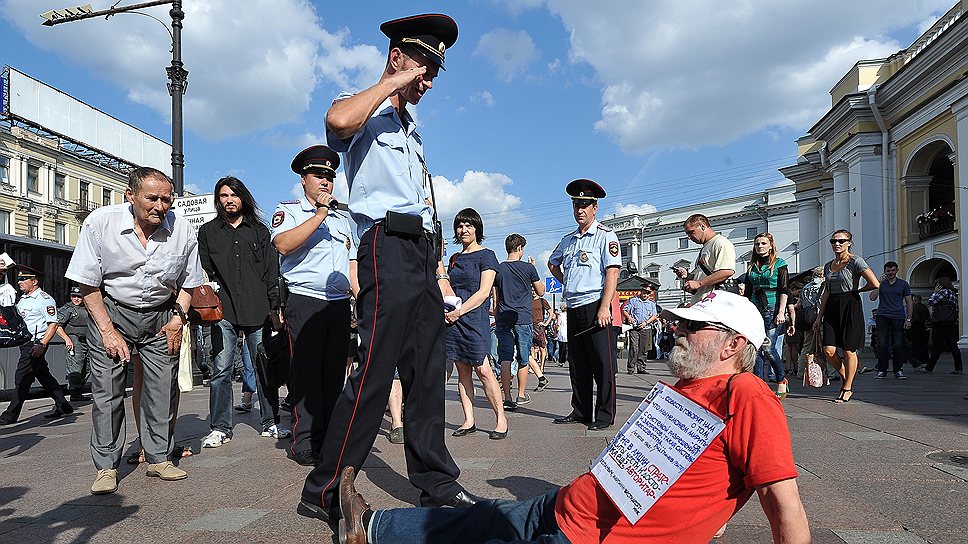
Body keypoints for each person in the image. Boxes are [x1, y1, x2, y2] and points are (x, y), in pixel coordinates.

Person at [336, 291, 811, 544]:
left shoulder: (745, 393)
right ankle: (372, 527)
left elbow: (781, 499)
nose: (678, 330)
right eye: (680, 322)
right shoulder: (681, 389)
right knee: (476, 518)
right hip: (570, 504)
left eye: (693, 326)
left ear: (734, 345)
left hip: (593, 538)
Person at [301, 14, 479, 523]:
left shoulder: (410, 128)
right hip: (385, 245)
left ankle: (437, 482)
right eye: (424, 66)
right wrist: (394, 81)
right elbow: (336, 121)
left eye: (434, 73)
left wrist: (438, 268)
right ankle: (325, 488)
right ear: (398, 57)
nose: (429, 81)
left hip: (420, 255)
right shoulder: (368, 114)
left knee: (426, 372)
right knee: (376, 370)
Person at [65, 166, 203, 494]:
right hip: (110, 311)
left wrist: (177, 319)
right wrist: (108, 331)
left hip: (160, 316)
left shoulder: (182, 230)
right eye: (152, 198)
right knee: (108, 392)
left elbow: (190, 281)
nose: (160, 206)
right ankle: (106, 467)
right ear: (131, 196)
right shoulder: (101, 223)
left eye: (166, 199)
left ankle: (158, 459)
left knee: (162, 389)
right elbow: (87, 283)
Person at [272, 146, 355, 466]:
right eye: (319, 175)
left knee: (333, 374)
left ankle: (329, 438)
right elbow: (283, 244)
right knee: (306, 374)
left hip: (336, 304)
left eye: (330, 177)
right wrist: (319, 213)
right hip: (305, 300)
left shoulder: (341, 219)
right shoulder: (289, 210)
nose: (325, 182)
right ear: (303, 179)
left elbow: (351, 265)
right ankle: (304, 440)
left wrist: (361, 298)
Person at [198, 175, 286, 449]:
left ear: (242, 198)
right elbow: (204, 270)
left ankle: (271, 421)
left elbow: (271, 272)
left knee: (263, 367)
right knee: (221, 369)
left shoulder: (260, 231)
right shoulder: (208, 232)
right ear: (218, 200)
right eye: (223, 196)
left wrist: (275, 307)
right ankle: (220, 427)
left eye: (233, 195)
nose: (228, 200)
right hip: (222, 309)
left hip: (257, 307)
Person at [548, 179, 621, 431]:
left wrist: (604, 307)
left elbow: (612, 273)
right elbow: (552, 263)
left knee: (602, 363)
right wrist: (566, 280)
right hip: (574, 306)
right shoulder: (568, 240)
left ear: (595, 208)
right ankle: (580, 410)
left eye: (585, 205)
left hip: (595, 305)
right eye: (576, 204)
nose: (580, 209)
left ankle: (604, 414)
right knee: (578, 364)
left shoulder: (605, 236)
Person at [444, 208, 507, 440]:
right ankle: (468, 419)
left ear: (477, 228)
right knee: (462, 371)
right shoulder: (455, 259)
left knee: (483, 370)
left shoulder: (487, 255)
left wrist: (459, 312)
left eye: (468, 225)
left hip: (474, 319)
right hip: (453, 320)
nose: (463, 230)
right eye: (460, 226)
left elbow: (483, 293)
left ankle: (501, 419)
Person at [0, 265, 74, 425]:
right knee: (43, 374)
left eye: (23, 279)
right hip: (25, 341)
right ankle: (63, 404)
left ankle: (10, 415)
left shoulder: (45, 299)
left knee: (23, 376)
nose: (19, 282)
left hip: (36, 343)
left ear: (34, 281)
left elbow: (53, 324)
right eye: (19, 278)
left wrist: (42, 344)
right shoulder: (24, 298)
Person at [813, 229, 879, 403]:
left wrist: (857, 290)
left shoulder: (856, 261)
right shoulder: (828, 265)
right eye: (834, 241)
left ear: (849, 242)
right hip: (832, 306)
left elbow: (874, 283)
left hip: (850, 304)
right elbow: (827, 290)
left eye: (841, 241)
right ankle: (846, 375)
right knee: (829, 350)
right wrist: (819, 316)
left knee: (849, 350)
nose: (837, 244)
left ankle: (847, 387)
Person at [494, 235, 545, 411]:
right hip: (523, 318)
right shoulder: (528, 268)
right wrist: (533, 269)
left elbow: (495, 296)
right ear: (520, 248)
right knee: (523, 358)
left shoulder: (498, 269)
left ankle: (507, 398)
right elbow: (541, 291)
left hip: (503, 317)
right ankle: (521, 395)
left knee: (505, 358)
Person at [742, 232, 790, 398]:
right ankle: (758, 384)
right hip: (755, 308)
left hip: (772, 307)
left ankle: (781, 379)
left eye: (763, 243)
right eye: (757, 244)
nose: (760, 247)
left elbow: (785, 289)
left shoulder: (779, 264)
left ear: (771, 246)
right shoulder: (751, 267)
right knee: (754, 348)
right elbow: (747, 293)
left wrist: (781, 312)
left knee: (768, 348)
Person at [674, 214, 736, 304]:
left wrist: (699, 283)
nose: (689, 237)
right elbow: (702, 275)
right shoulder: (705, 247)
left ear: (703, 226)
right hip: (702, 301)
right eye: (687, 234)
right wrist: (688, 276)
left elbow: (727, 271)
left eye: (691, 232)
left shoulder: (720, 243)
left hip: (714, 301)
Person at [868, 261, 913, 379]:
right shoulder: (881, 283)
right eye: (888, 271)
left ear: (897, 270)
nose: (890, 273)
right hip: (882, 315)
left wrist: (909, 319)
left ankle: (898, 370)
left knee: (898, 344)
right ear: (885, 271)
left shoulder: (903, 284)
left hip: (898, 316)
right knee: (882, 344)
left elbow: (909, 301)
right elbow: (872, 297)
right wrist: (879, 283)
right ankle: (882, 369)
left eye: (892, 270)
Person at [56, 286, 92, 401]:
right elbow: (56, 325)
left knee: (88, 367)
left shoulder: (88, 308)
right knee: (76, 366)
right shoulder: (68, 309)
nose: (76, 299)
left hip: (88, 340)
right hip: (75, 340)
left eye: (79, 297)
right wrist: (67, 339)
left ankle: (78, 391)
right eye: (73, 296)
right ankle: (75, 393)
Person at [925, 277, 963, 374]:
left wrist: (935, 293)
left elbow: (930, 302)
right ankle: (959, 368)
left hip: (941, 323)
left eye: (937, 285)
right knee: (953, 345)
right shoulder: (953, 294)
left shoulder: (944, 292)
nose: (936, 287)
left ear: (941, 285)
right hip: (952, 323)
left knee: (937, 346)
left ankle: (929, 368)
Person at [621, 286, 658, 374]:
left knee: (643, 349)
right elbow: (624, 310)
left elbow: (654, 315)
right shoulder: (634, 300)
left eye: (648, 293)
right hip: (634, 328)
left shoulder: (651, 303)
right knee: (634, 347)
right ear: (641, 291)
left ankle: (641, 368)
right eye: (644, 292)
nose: (646, 294)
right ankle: (631, 368)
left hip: (646, 328)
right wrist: (629, 317)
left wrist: (646, 322)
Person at [910, 294, 930, 369]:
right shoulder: (924, 306)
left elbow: (915, 318)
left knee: (915, 344)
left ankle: (917, 359)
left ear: (915, 300)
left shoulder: (914, 307)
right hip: (923, 327)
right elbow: (928, 316)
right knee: (923, 344)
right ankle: (925, 359)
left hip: (916, 327)